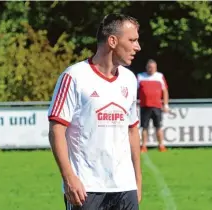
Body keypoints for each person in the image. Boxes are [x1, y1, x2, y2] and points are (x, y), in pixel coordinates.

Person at [48, 13, 142, 210]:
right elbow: (57, 130)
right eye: (132, 40)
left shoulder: (130, 79)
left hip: (125, 187)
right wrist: (68, 178)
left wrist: (137, 180)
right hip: (86, 188)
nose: (137, 47)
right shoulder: (73, 77)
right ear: (113, 41)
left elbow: (132, 131)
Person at [137, 59, 169, 153]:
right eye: (150, 67)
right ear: (146, 67)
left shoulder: (160, 76)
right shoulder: (140, 77)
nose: (151, 69)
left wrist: (166, 104)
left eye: (153, 67)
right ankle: (143, 146)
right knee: (144, 127)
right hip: (144, 106)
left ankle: (161, 145)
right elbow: (134, 91)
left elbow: (165, 91)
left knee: (158, 126)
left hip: (157, 106)